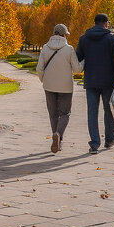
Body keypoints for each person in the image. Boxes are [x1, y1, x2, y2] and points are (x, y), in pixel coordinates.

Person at [74, 12, 114, 153]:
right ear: (106, 23)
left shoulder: (84, 39)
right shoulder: (113, 38)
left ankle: (94, 143)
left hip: (91, 80)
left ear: (95, 23)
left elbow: (77, 58)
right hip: (108, 81)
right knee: (109, 110)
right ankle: (109, 139)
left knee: (92, 112)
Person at [36, 23, 82, 154]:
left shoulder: (45, 48)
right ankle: (58, 135)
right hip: (66, 87)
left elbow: (39, 68)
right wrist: (84, 61)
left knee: (53, 114)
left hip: (49, 86)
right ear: (64, 35)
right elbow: (77, 69)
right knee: (65, 113)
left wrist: (44, 80)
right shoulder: (69, 49)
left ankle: (57, 140)